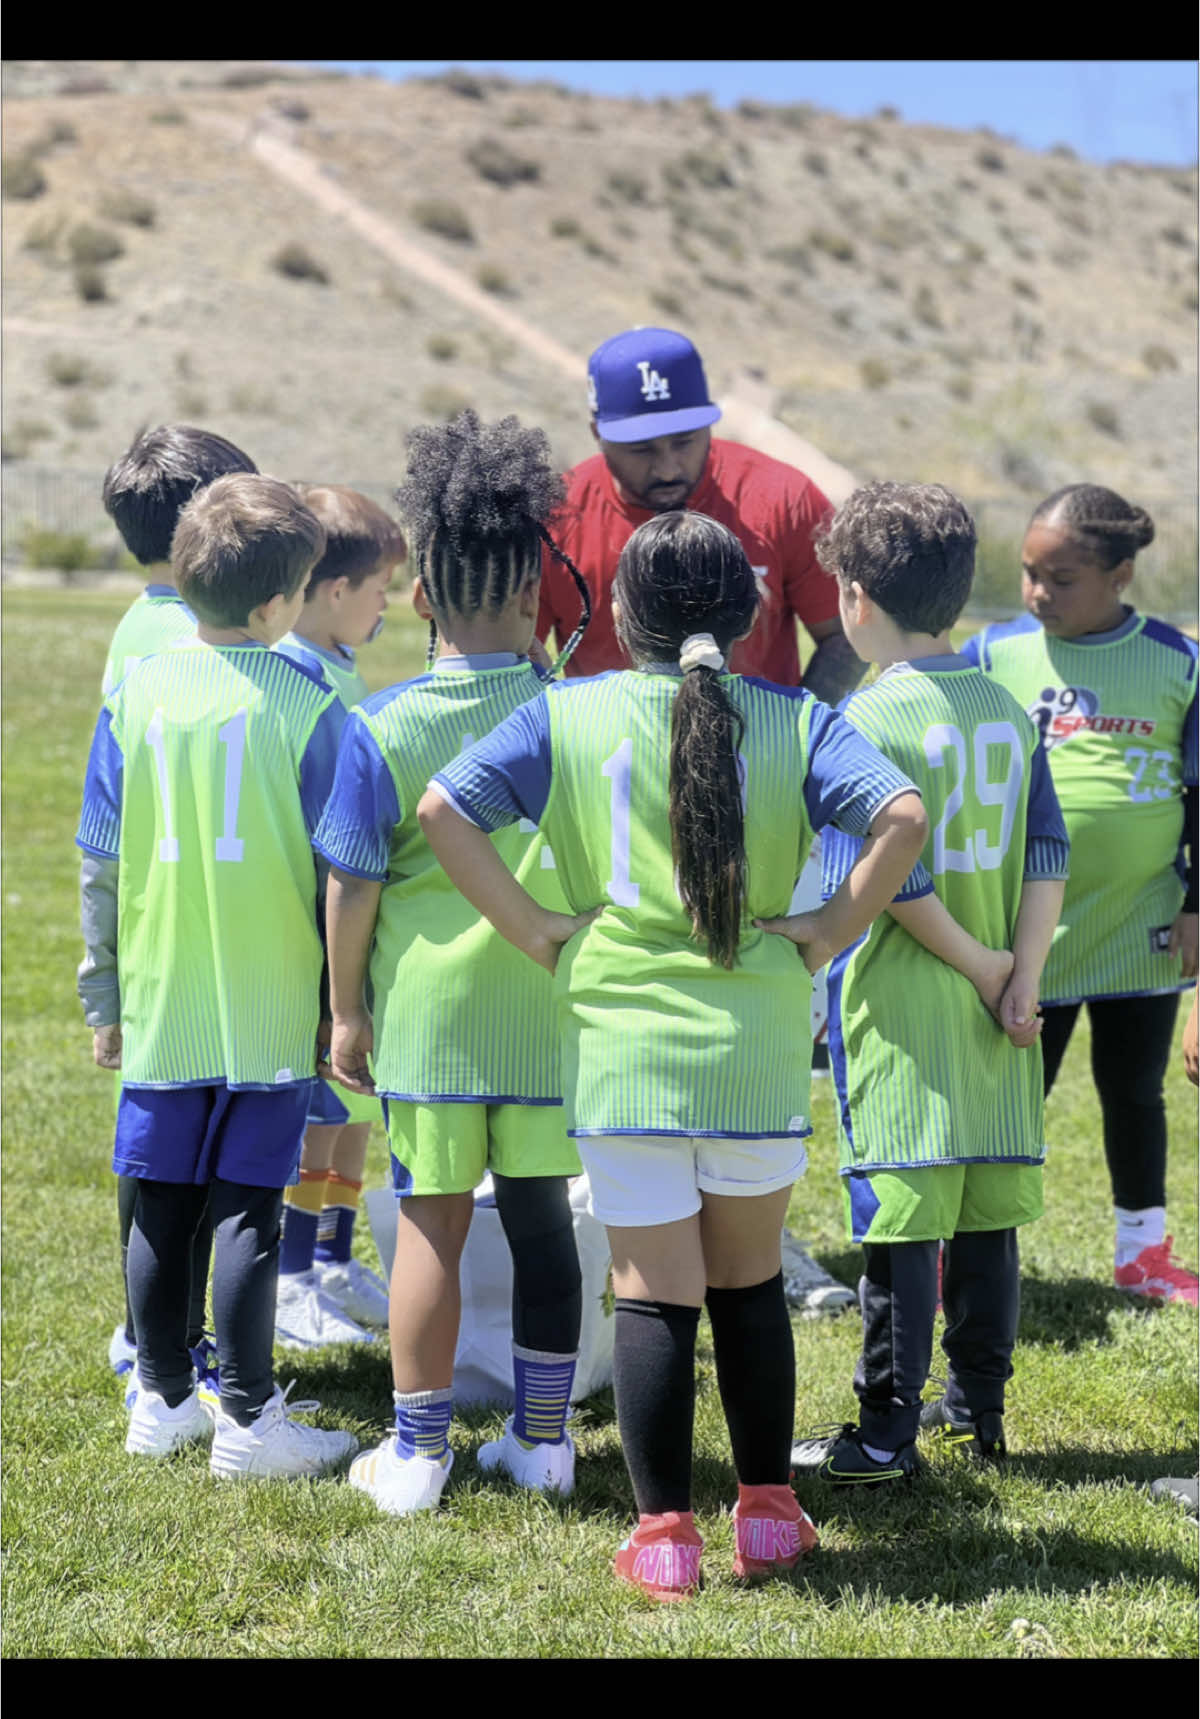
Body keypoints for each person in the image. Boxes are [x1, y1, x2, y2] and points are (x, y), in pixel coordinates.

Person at [419, 509, 930, 1601]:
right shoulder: (794, 718)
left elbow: (441, 808)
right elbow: (902, 815)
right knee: (749, 1287)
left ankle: (663, 1538)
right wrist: (831, 932)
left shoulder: (570, 713)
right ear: (752, 615)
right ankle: (769, 1514)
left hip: (623, 1050)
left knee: (652, 1295)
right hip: (754, 1050)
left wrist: (538, 930)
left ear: (616, 612)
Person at [537, 325, 864, 1302]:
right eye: (642, 445)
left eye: (686, 439)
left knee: (761, 1023)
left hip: (751, 810)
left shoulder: (778, 494)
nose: (669, 463)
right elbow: (526, 645)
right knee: (605, 1019)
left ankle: (766, 1233)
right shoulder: (559, 510)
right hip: (611, 815)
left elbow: (837, 634)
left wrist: (797, 737)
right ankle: (602, 1225)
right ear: (596, 428)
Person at [317, 411, 594, 1517]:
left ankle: (418, 1453)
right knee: (542, 1224)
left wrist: (345, 1013)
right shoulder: (573, 717)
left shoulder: (379, 725)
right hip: (549, 1013)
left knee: (431, 1219)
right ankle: (544, 1441)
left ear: (422, 594)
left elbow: (353, 885)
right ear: (536, 596)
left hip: (428, 1020)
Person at [784, 483, 1069, 1489]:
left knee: (903, 1227)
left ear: (854, 599)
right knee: (989, 1219)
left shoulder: (864, 714)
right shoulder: (1006, 706)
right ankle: (978, 1412)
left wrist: (990, 966)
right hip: (1005, 1023)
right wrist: (1022, 973)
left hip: (907, 1013)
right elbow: (1046, 847)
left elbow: (889, 874)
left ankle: (881, 1435)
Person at [76, 473, 358, 1479]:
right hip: (270, 1001)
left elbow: (99, 861)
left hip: (161, 998)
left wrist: (103, 993)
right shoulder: (310, 702)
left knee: (160, 1199)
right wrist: (342, 1005)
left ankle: (159, 1398)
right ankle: (247, 1418)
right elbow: (343, 869)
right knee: (248, 1203)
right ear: (281, 606)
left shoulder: (136, 695)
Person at [961, 485, 1198, 1305]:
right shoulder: (990, 656)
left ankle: (1142, 1253)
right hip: (1031, 933)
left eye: (1060, 578)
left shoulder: (1180, 661)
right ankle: (978, 1254)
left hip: (1144, 925)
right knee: (1013, 1098)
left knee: (1134, 1091)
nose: (1037, 593)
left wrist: (1197, 904)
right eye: (1028, 573)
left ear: (1121, 573)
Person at [94, 423, 258, 1404]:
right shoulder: (190, 639)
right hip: (210, 930)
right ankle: (166, 1347)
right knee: (191, 1166)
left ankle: (148, 1334)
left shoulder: (135, 623)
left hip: (159, 925)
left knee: (160, 1150)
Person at [272, 484, 407, 1349]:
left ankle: (329, 1257)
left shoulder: (341, 670)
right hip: (310, 939)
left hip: (340, 937)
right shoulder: (300, 681)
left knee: (349, 1109)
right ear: (330, 591)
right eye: (379, 588)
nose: (389, 603)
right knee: (316, 1111)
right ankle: (289, 1277)